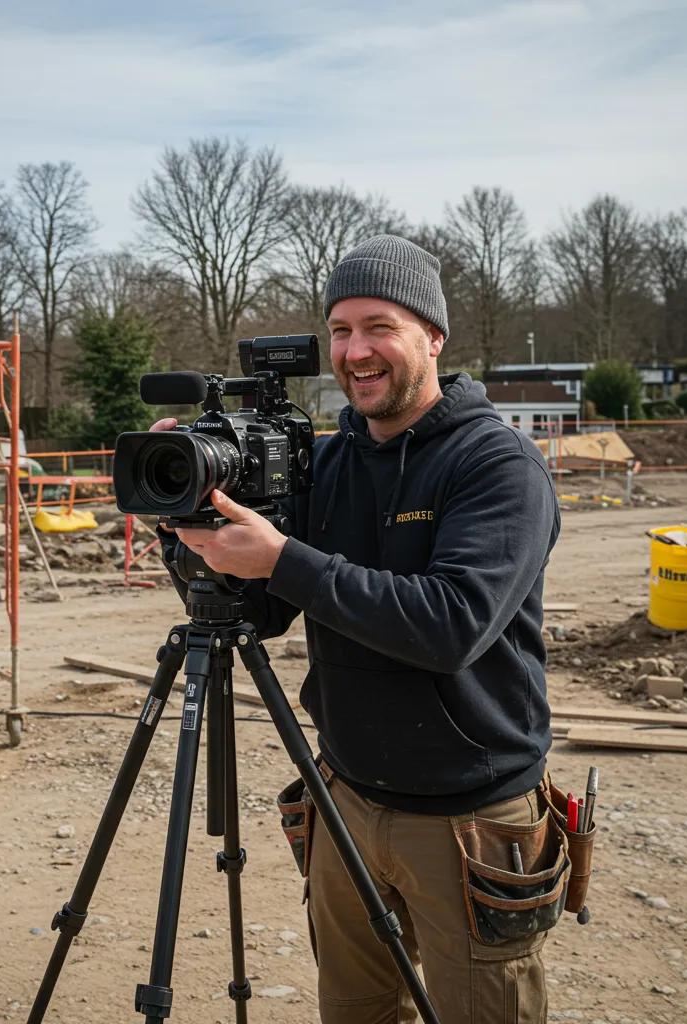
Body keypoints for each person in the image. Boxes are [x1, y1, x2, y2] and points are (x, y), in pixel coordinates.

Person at [155, 234, 560, 1023]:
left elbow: (453, 625)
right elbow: (263, 612)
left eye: (380, 327)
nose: (356, 351)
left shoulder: (497, 465)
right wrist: (188, 530)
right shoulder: (331, 463)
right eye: (340, 331)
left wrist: (284, 558)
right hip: (344, 800)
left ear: (433, 337)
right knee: (355, 1012)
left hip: (468, 816)